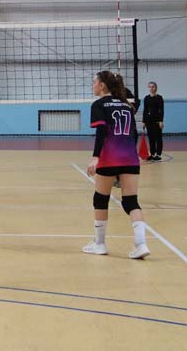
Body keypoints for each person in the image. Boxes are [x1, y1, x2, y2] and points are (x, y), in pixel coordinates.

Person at [82, 70, 150, 259]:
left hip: (109, 158)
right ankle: (141, 245)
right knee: (131, 202)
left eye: (94, 82)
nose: (93, 85)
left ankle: (99, 244)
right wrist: (131, 156)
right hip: (130, 158)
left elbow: (101, 132)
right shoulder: (126, 105)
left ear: (102, 85)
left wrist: (95, 157)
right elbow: (133, 134)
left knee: (100, 199)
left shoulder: (99, 104)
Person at [142, 81, 164, 161]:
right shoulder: (146, 98)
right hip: (149, 121)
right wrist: (144, 121)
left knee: (158, 137)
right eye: (150, 87)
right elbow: (145, 110)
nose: (151, 88)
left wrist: (161, 121)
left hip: (157, 121)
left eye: (153, 87)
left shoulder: (159, 98)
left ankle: (158, 154)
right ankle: (152, 154)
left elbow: (161, 110)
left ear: (156, 88)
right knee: (151, 138)